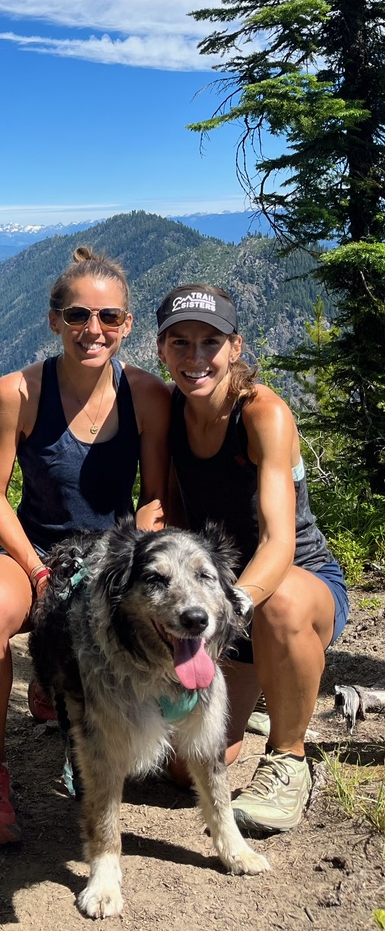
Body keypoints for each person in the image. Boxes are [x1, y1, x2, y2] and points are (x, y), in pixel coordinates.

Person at [0, 247, 171, 848]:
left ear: (127, 324)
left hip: (112, 558)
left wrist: (134, 548)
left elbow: (154, 495)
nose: (92, 329)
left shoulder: (146, 396)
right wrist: (37, 570)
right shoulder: (18, 393)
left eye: (109, 317)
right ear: (55, 321)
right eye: (78, 315)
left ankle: (69, 703)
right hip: (37, 551)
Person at [156, 284, 349, 834]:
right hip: (222, 597)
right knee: (182, 770)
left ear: (235, 347)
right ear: (162, 350)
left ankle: (290, 759)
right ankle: (268, 689)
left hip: (296, 585)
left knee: (280, 602)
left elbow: (279, 542)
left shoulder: (263, 414)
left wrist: (230, 607)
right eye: (180, 342)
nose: (195, 357)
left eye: (210, 342)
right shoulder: (170, 411)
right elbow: (169, 512)